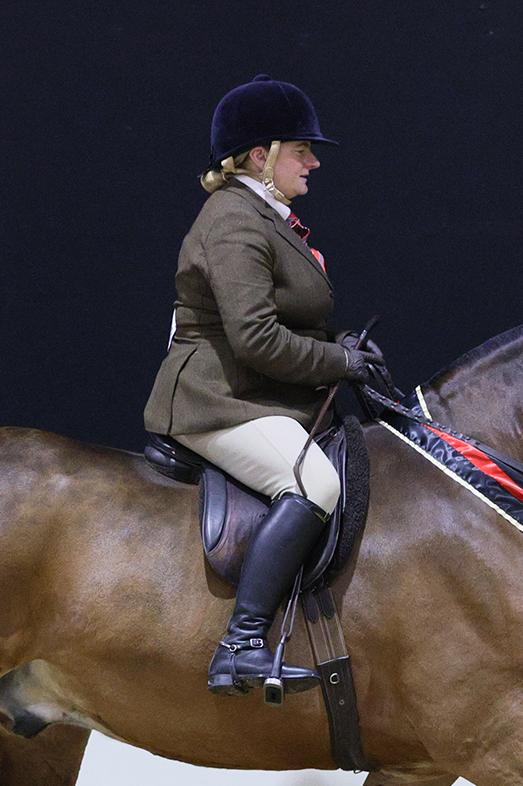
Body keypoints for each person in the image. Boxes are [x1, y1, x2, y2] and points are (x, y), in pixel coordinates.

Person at [144, 75, 386, 698]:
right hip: (216, 399)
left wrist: (341, 347)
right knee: (313, 483)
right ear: (261, 155)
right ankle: (240, 645)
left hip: (256, 394)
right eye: (301, 150)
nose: (313, 162)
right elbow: (255, 339)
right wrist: (337, 361)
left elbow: (284, 321)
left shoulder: (265, 216)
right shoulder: (233, 220)